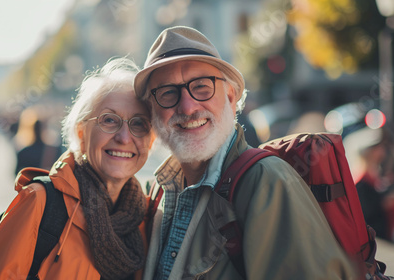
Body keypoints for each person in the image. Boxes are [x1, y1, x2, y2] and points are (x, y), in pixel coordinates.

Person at [133, 26, 356, 279]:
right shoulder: (161, 191)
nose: (187, 106)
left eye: (202, 87)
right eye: (167, 93)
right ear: (152, 109)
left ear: (230, 96)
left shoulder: (267, 180)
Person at [0, 57, 154, 280]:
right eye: (109, 120)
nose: (124, 137)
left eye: (138, 123)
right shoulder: (39, 203)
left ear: (151, 140)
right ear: (81, 133)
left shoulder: (149, 217)